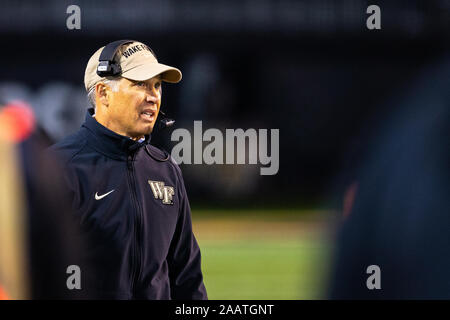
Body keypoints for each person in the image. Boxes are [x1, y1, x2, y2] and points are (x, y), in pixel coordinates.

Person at [49, 40, 207, 299]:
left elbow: (187, 277)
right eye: (140, 84)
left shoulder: (166, 171)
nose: (153, 95)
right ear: (103, 93)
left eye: (157, 85)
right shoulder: (58, 169)